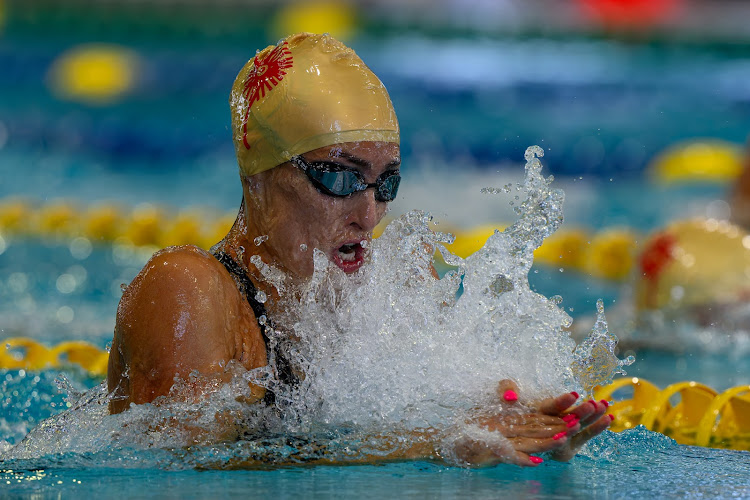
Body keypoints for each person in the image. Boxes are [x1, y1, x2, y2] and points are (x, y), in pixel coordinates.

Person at [107, 32, 611, 466]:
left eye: (384, 183)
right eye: (340, 177)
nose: (368, 216)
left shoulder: (387, 286)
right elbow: (175, 469)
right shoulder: (187, 289)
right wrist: (418, 445)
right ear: (258, 174)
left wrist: (504, 414)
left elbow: (439, 410)